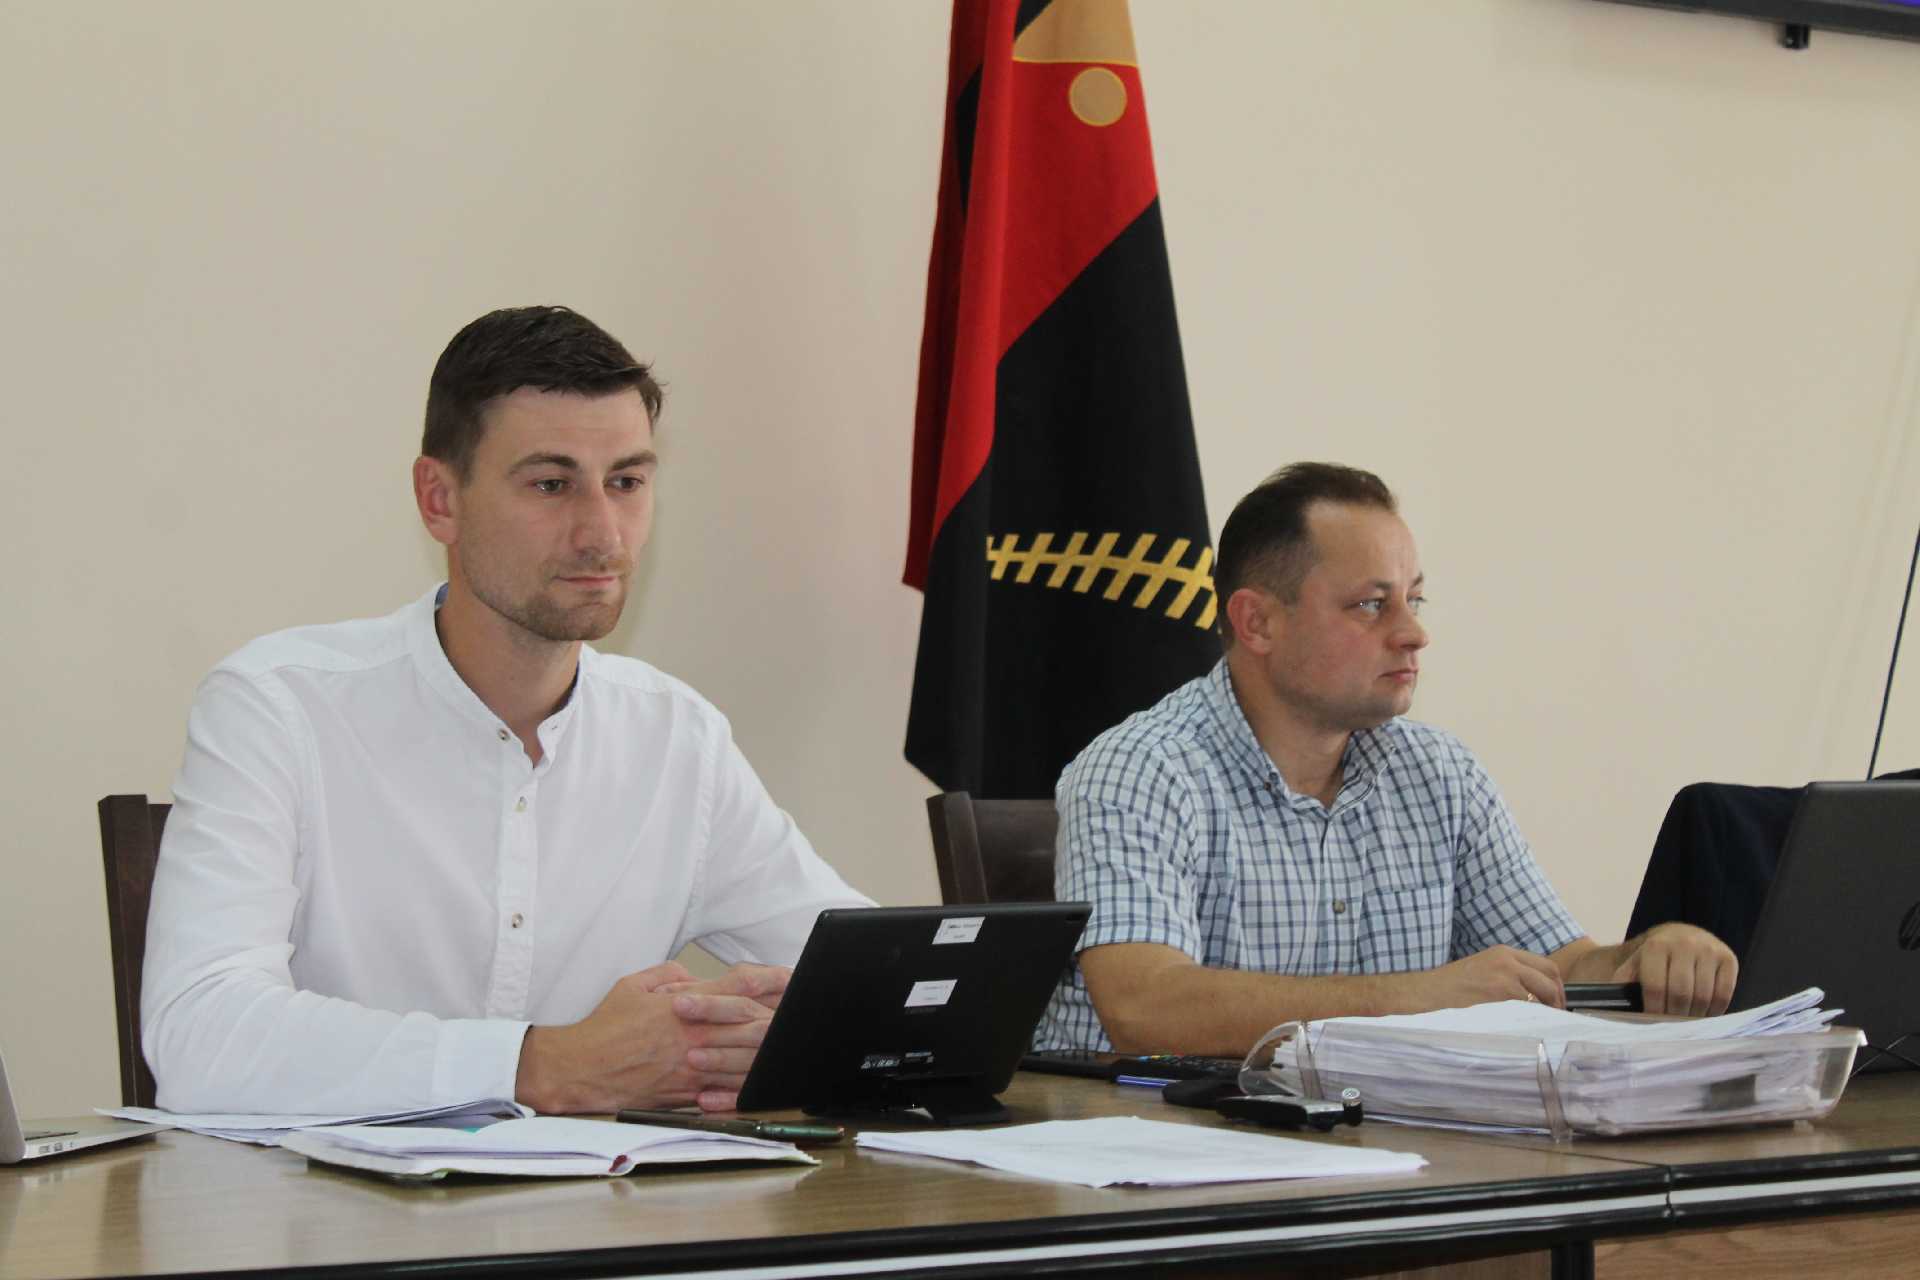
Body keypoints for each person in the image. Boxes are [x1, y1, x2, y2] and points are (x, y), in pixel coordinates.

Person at [141, 305, 871, 1115]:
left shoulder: (676, 736)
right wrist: (542, 1065)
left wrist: (780, 1039)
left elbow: (885, 979)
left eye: (627, 482)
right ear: (439, 499)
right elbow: (200, 1035)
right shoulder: (278, 707)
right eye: (552, 485)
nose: (603, 535)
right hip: (320, 1197)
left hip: (605, 1196)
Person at [1034, 462, 1736, 1055]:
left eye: (1414, 599)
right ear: (1257, 622)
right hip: (1159, 1146)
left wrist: (1647, 956)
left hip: (1369, 1142)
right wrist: (1416, 999)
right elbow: (1145, 1006)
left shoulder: (1440, 773)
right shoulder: (1142, 769)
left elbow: (1559, 966)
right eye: (1372, 605)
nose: (1413, 634)